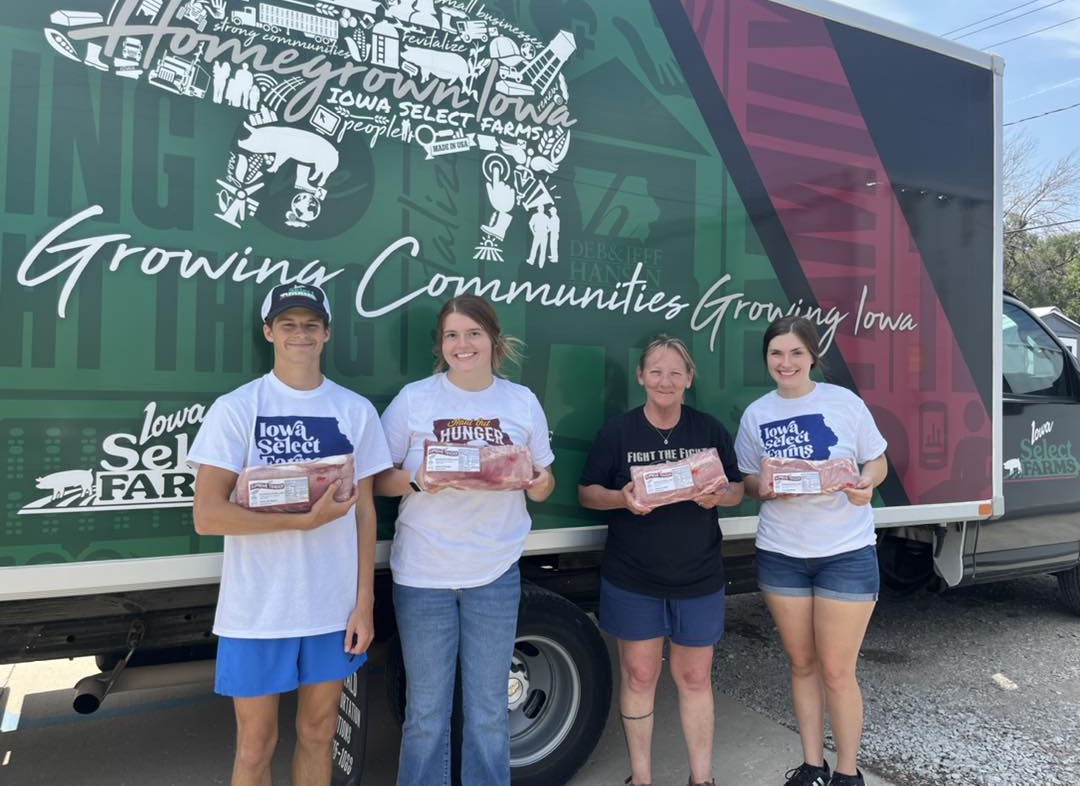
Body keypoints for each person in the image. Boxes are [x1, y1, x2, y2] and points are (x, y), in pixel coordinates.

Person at [189, 281, 391, 786]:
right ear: (268, 332)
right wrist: (300, 522)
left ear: (326, 334)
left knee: (318, 732)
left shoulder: (355, 410)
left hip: (330, 606)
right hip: (256, 610)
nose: (300, 334)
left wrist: (364, 602)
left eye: (310, 325)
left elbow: (366, 512)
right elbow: (208, 516)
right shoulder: (238, 408)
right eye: (288, 324)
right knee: (256, 747)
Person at [374, 294, 556, 786]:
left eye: (473, 333)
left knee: (489, 713)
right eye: (452, 335)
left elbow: (546, 479)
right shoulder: (415, 399)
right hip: (423, 575)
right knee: (426, 715)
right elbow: (377, 479)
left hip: (494, 572)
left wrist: (537, 482)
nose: (463, 344)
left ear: (494, 340)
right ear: (441, 345)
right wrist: (418, 479)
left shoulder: (520, 401)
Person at [578, 335, 744, 786]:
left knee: (693, 678)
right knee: (639, 674)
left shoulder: (708, 431)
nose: (665, 381)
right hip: (634, 578)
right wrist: (622, 498)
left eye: (675, 372)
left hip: (699, 575)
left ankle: (702, 779)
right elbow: (587, 492)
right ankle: (642, 778)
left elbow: (736, 489)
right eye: (656, 371)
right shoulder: (618, 432)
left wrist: (720, 497)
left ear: (689, 378)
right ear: (641, 377)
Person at [734, 316, 888, 786]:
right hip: (783, 554)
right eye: (777, 353)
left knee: (838, 672)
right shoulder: (756, 414)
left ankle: (846, 773)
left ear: (813, 357)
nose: (786, 363)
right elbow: (747, 481)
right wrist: (764, 486)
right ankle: (811, 765)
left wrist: (867, 484)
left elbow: (876, 459)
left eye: (796, 353)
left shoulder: (844, 403)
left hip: (846, 552)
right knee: (802, 664)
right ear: (767, 359)